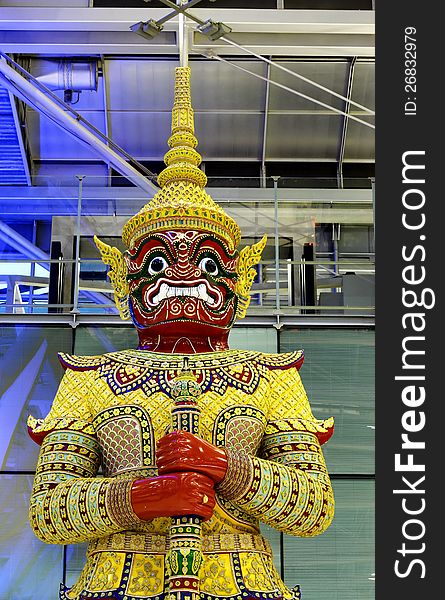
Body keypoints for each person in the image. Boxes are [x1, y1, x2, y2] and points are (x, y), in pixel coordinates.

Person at [28, 67, 334, 600]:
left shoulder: (270, 379)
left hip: (241, 582)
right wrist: (142, 497)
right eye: (159, 264)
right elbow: (49, 510)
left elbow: (311, 506)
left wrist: (222, 466)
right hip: (118, 583)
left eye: (209, 266)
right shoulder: (92, 378)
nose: (183, 280)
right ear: (125, 282)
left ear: (239, 282)